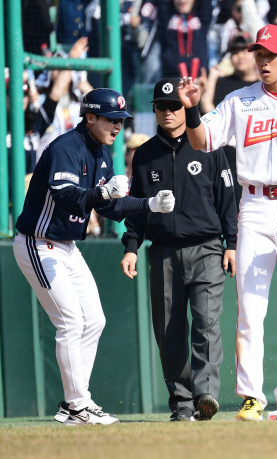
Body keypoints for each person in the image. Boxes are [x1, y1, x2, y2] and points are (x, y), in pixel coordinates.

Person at [178, 24, 277, 421]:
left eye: (271, 54)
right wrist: (191, 107)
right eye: (259, 53)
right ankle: (252, 397)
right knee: (251, 310)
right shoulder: (239, 100)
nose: (263, 61)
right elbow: (202, 141)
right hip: (252, 206)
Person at [14, 89, 175, 426]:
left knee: (95, 320)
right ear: (90, 117)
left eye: (121, 120)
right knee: (70, 322)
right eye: (111, 119)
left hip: (66, 246)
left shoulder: (102, 154)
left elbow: (111, 206)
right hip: (37, 242)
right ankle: (77, 404)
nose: (118, 126)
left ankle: (75, 404)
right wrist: (103, 191)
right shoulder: (65, 148)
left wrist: (149, 204)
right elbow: (66, 198)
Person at [120, 78, 239, 422]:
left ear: (186, 108)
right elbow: (137, 207)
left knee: (206, 323)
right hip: (164, 252)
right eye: (162, 106)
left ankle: (205, 394)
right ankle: (182, 403)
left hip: (206, 248)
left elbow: (227, 200)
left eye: (176, 106)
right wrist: (131, 247)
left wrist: (231, 244)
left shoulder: (209, 146)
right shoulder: (144, 155)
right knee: (169, 331)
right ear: (155, 110)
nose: (169, 112)